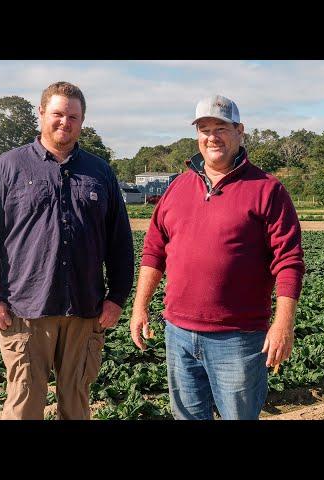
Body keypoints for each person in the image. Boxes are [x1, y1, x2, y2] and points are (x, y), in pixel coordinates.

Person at [0, 81, 134, 420]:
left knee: (76, 402)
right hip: (25, 310)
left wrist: (117, 297)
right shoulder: (8, 167)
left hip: (86, 311)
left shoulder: (99, 172)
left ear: (82, 121)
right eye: (57, 113)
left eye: (73, 116)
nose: (64, 122)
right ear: (41, 114)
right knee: (24, 403)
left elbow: (119, 241)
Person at [130, 94, 305, 420]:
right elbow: (154, 251)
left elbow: (289, 261)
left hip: (238, 339)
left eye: (221, 128)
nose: (212, 137)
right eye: (204, 129)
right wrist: (140, 306)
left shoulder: (267, 190)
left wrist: (283, 323)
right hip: (178, 334)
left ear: (239, 131)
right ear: (197, 135)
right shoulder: (177, 188)